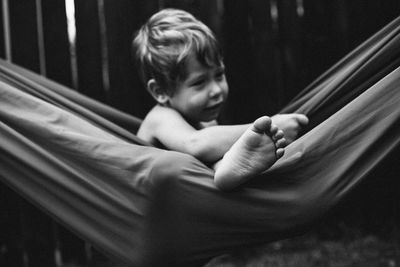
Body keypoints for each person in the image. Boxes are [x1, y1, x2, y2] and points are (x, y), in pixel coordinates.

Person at [132, 8, 308, 190]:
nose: (216, 90)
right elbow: (197, 144)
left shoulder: (207, 125)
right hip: (151, 207)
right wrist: (272, 127)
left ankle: (223, 170)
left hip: (187, 199)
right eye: (199, 82)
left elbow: (205, 153)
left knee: (215, 162)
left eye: (219, 75)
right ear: (160, 91)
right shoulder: (159, 117)